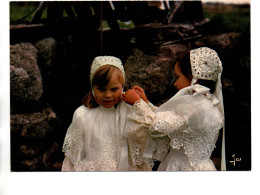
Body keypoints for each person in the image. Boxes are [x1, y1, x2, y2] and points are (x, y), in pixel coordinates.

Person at [122, 47, 226, 171]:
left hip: (184, 168)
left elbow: (156, 127)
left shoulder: (194, 106)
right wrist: (146, 104)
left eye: (177, 77)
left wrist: (137, 103)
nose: (175, 83)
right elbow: (169, 122)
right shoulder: (208, 103)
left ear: (194, 78)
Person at [61, 56, 151, 171]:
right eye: (102, 89)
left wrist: (143, 104)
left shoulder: (131, 110)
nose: (108, 95)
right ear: (93, 88)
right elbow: (74, 157)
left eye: (114, 89)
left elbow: (150, 129)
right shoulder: (82, 114)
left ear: (122, 86)